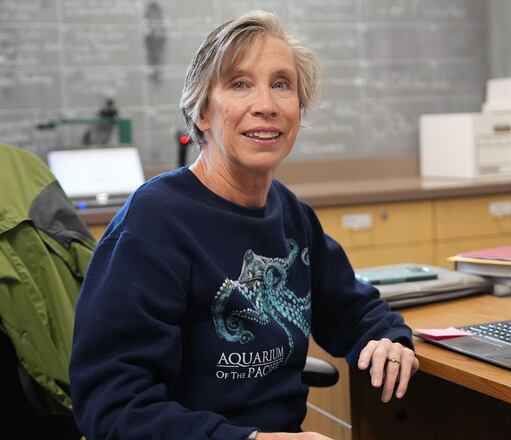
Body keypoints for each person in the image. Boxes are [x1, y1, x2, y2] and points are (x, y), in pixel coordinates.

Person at [69, 10, 418, 440]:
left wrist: (387, 339)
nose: (266, 105)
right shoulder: (153, 223)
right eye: (239, 84)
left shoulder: (290, 213)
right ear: (201, 113)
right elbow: (112, 407)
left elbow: (351, 307)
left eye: (281, 84)